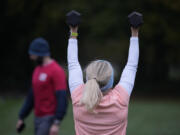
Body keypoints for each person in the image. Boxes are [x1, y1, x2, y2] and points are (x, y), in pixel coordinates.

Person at [67, 25, 139, 135]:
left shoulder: (79, 97)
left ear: (88, 78)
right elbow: (131, 66)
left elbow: (72, 64)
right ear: (110, 81)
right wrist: (135, 32)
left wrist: (73, 31)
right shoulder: (120, 99)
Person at [16, 37, 68, 135]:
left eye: (33, 55)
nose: (31, 57)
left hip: (49, 118)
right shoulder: (37, 70)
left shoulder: (56, 71)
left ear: (41, 54)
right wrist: (21, 117)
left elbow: (62, 97)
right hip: (37, 117)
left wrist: (57, 122)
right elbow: (32, 95)